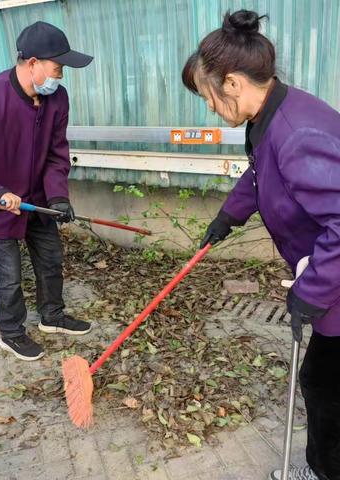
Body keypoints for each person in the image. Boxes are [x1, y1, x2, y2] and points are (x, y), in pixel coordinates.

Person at [182, 9, 340, 480]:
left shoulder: (296, 134)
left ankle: (323, 471)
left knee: (322, 384)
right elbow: (260, 173)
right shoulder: (272, 115)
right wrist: (226, 217)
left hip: (333, 276)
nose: (209, 107)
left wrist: (310, 293)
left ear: (231, 82)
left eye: (206, 95)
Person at [0, 21, 94, 361]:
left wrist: (57, 195)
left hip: (37, 200)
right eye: (58, 68)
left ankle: (52, 316)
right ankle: (11, 333)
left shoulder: (57, 99)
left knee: (51, 260)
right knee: (8, 276)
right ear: (33, 63)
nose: (62, 76)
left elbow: (57, 151)